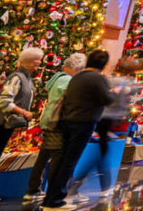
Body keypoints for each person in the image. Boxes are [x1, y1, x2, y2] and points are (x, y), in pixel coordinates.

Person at [41, 50, 115, 210]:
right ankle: (55, 200)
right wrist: (115, 93)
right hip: (84, 123)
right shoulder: (98, 78)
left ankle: (50, 198)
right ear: (104, 64)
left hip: (67, 121)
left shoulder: (77, 77)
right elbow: (107, 99)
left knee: (62, 160)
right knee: (69, 161)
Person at [0, 47, 42, 206]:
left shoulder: (25, 77)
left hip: (2, 123)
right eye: (37, 60)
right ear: (30, 61)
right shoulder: (17, 77)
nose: (39, 63)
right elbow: (5, 101)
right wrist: (25, 113)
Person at [68, 59, 136, 198]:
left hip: (103, 119)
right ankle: (79, 186)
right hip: (106, 120)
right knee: (101, 154)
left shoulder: (113, 80)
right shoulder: (122, 82)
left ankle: (90, 185)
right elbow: (118, 98)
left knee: (102, 153)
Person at [24, 53, 86, 202]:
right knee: (57, 159)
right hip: (57, 123)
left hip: (48, 121)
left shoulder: (57, 78)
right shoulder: (68, 81)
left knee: (44, 155)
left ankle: (33, 190)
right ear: (78, 68)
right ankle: (53, 193)